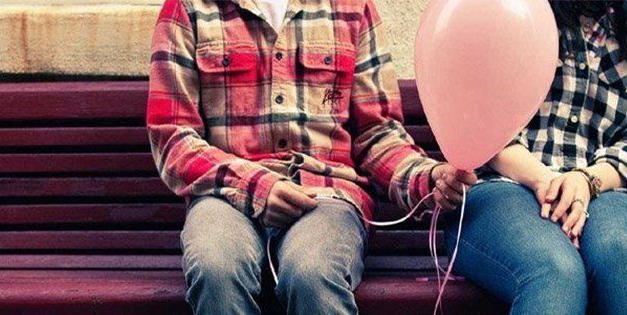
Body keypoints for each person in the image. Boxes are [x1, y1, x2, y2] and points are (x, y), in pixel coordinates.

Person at [146, 0, 473, 313]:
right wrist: (258, 187)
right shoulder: (188, 7)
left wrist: (426, 178)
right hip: (224, 198)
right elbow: (173, 136)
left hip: (327, 197)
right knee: (216, 267)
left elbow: (377, 132)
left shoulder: (351, 7)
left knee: (312, 273)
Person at [435, 1, 627, 314]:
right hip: (503, 186)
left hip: (605, 188)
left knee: (621, 254)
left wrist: (584, 181)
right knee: (554, 269)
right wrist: (546, 180)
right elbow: (479, 115)